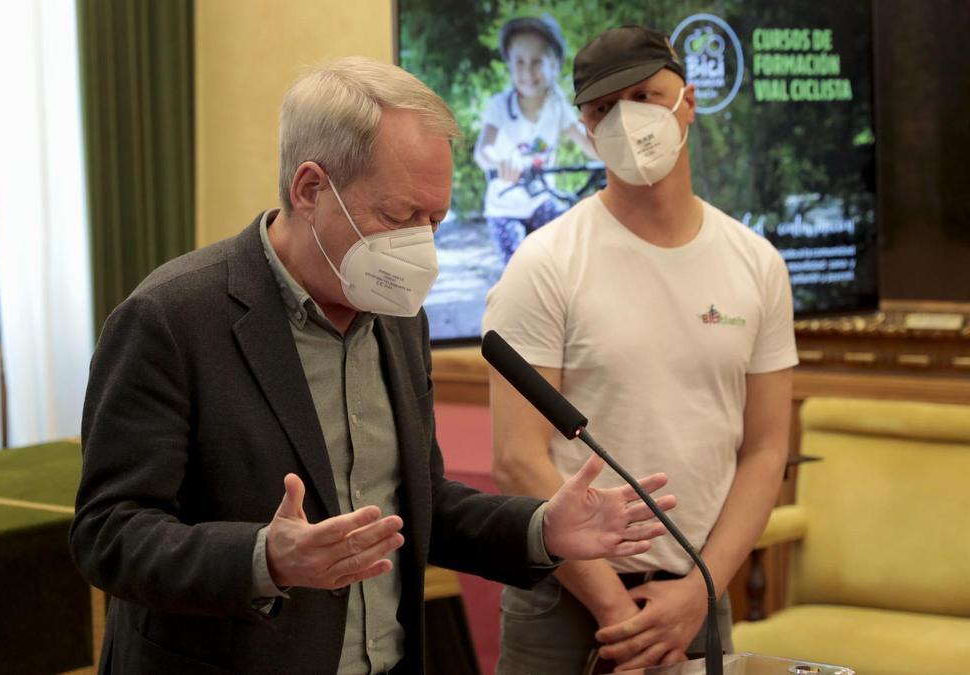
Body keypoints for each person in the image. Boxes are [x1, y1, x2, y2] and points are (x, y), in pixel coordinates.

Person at [69, 56, 676, 675]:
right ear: (310, 189)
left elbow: (421, 503)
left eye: (434, 221)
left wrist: (542, 529)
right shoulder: (170, 318)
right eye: (398, 217)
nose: (421, 248)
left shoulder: (396, 313)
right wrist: (264, 558)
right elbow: (108, 533)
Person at [483, 25, 798, 674]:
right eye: (603, 109)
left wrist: (697, 591)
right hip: (564, 600)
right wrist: (614, 608)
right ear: (587, 128)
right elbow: (517, 457)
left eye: (646, 96)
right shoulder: (544, 263)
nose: (628, 121)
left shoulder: (757, 263)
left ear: (688, 100)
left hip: (698, 593)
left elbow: (767, 448)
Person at [474, 15, 598, 265]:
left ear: (554, 64)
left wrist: (616, 157)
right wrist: (500, 161)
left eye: (537, 62)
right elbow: (483, 150)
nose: (527, 71)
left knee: (573, 245)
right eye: (519, 62)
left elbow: (592, 148)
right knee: (519, 268)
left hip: (541, 202)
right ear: (509, 64)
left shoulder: (557, 107)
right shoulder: (501, 106)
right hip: (505, 208)